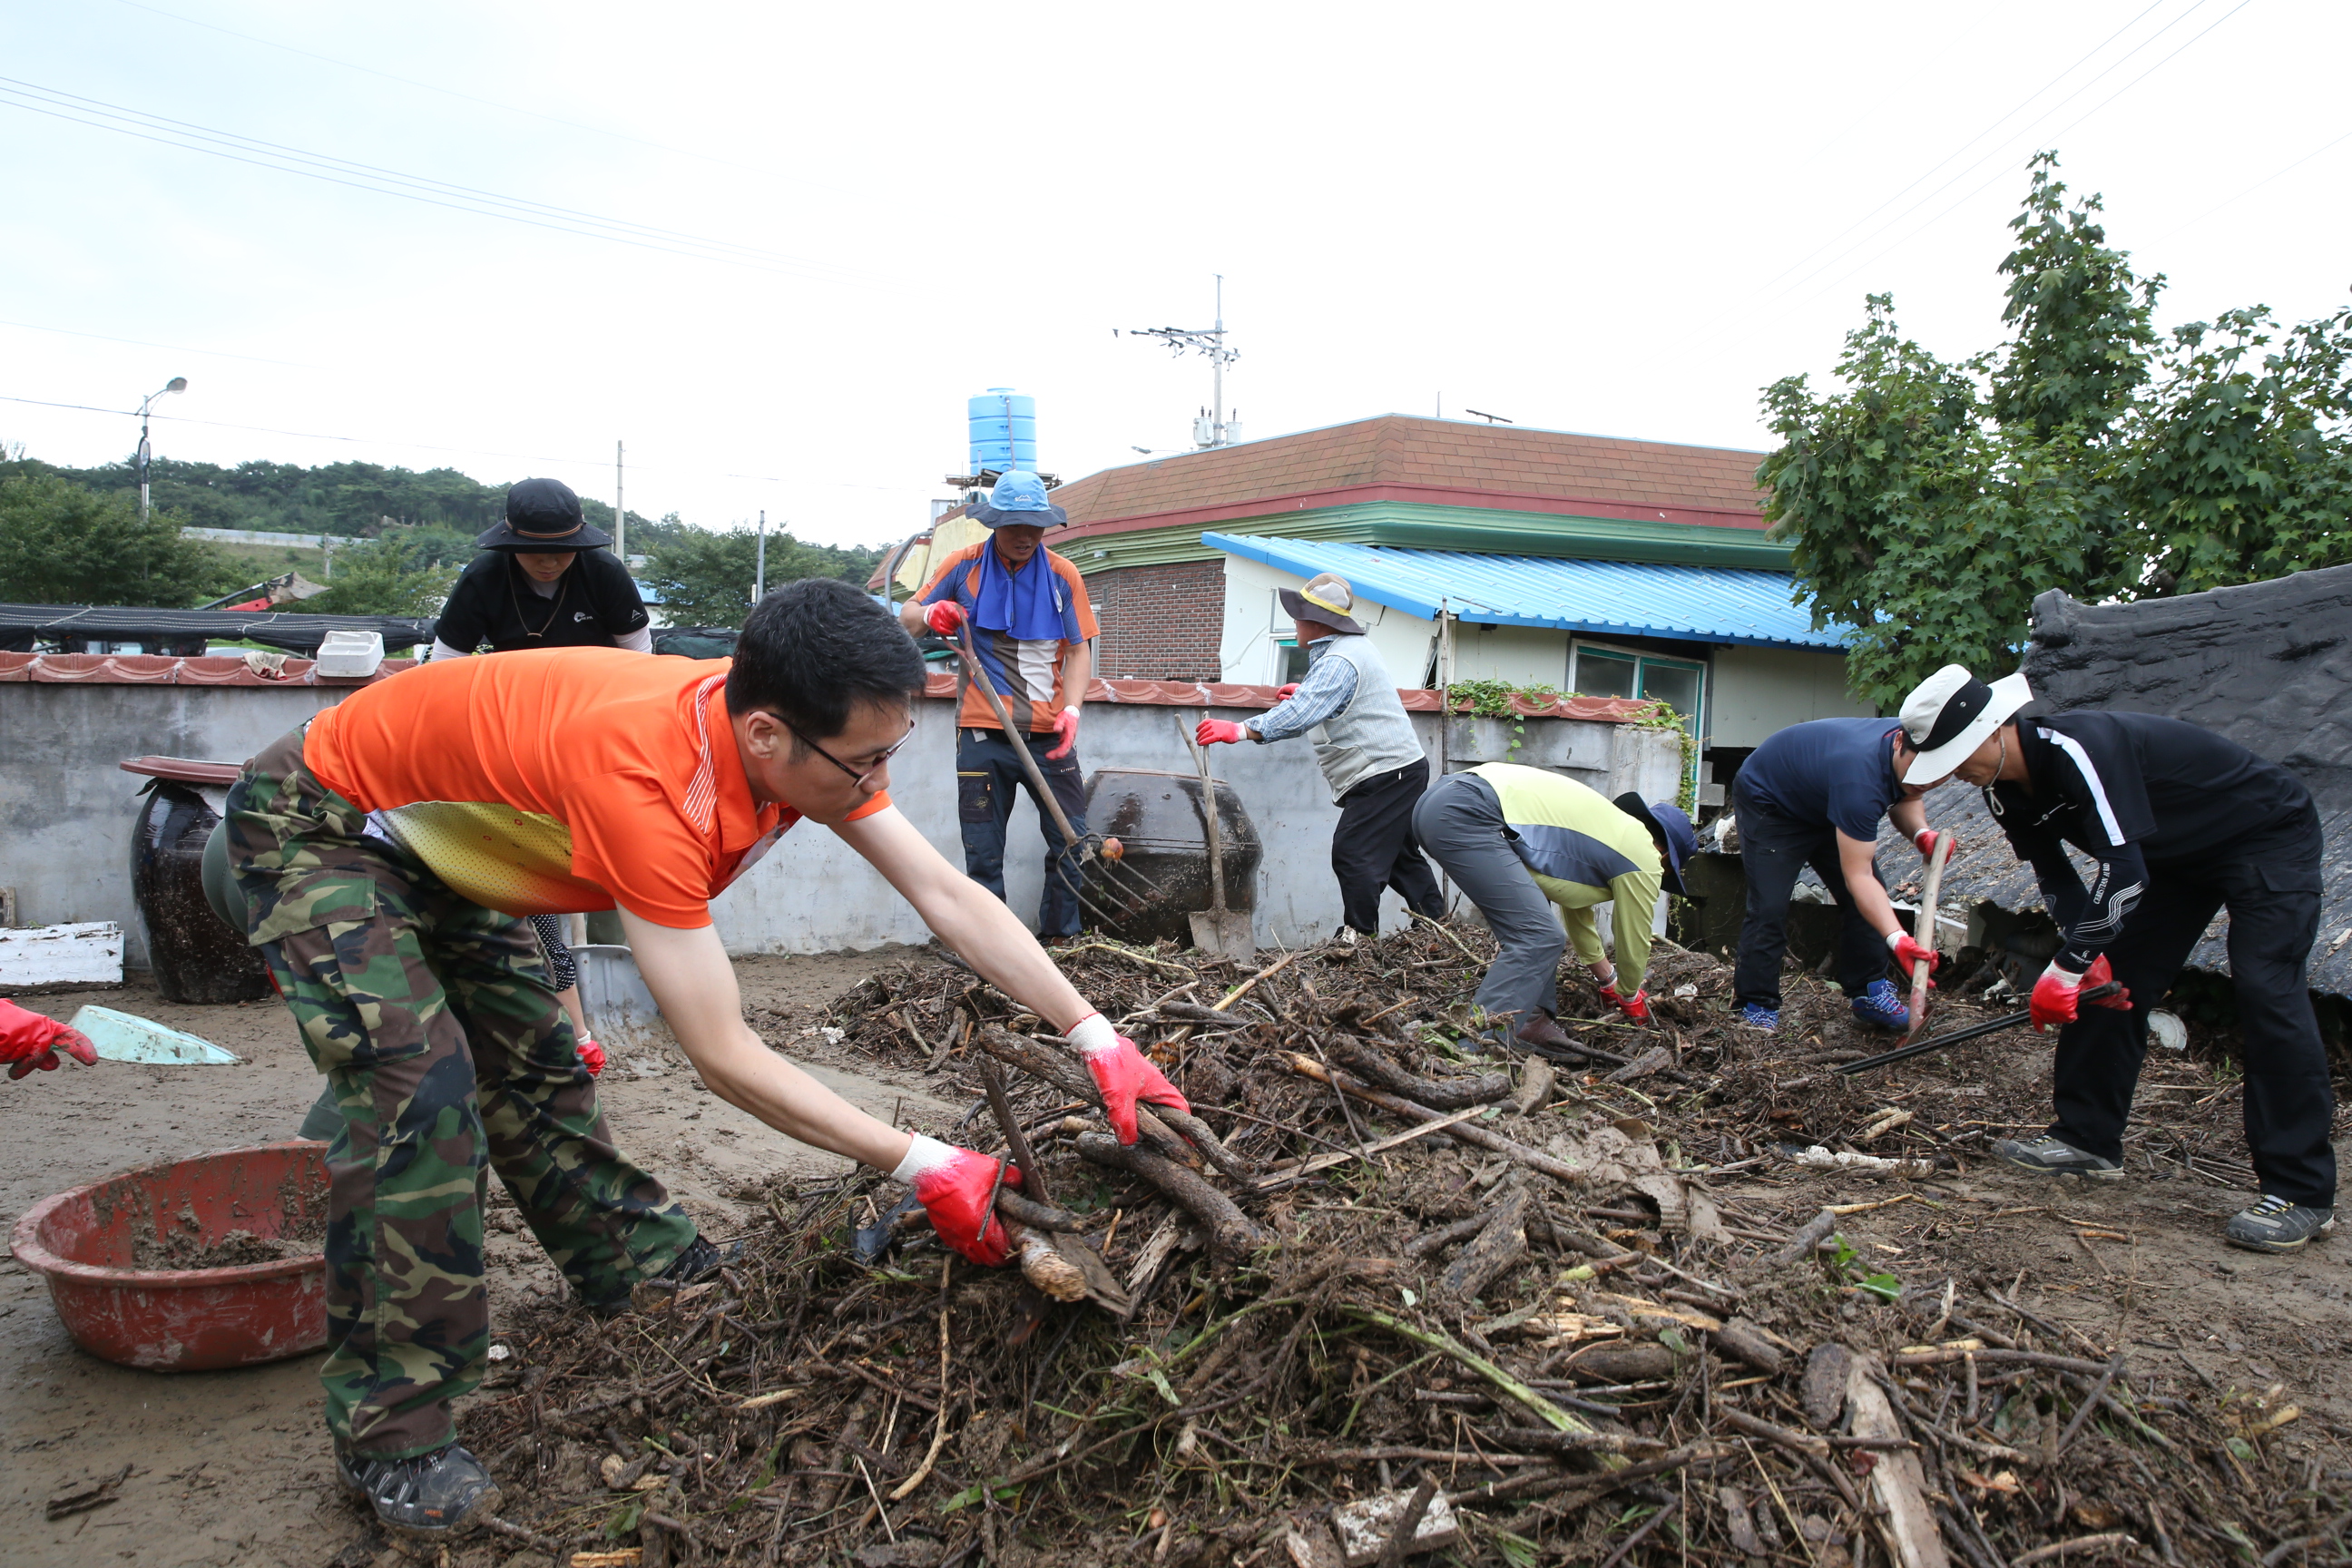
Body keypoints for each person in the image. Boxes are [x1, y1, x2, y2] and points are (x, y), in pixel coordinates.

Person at [221, 578, 1183, 1539]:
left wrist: (1097, 1036)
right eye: (864, 762)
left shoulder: (787, 731)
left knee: (537, 1068)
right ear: (769, 736)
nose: (874, 781)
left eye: (889, 752)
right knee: (422, 1098)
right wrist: (925, 1162)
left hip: (448, 848)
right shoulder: (646, 785)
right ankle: (393, 1432)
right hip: (324, 828)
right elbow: (721, 1052)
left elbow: (943, 892)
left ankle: (635, 1264)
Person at [1899, 663, 2335, 1254]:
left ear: (1994, 728)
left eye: (1956, 754)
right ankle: (2087, 1141)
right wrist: (2087, 958)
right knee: (2111, 981)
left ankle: (2302, 1191)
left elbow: (2122, 870)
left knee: (2265, 986)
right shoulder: (2003, 792)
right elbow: (2054, 875)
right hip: (2173, 859)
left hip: (2263, 834)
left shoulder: (2078, 752)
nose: (1954, 773)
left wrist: (2068, 966)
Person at [900, 472, 1098, 938]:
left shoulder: (1062, 574)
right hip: (981, 734)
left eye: (1036, 525)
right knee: (984, 852)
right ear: (993, 524)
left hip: (1051, 736)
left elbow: (1079, 649)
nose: (1026, 535)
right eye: (1014, 525)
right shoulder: (962, 564)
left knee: (1073, 841)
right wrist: (932, 613)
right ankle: (993, 948)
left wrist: (1072, 711)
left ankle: (1059, 943)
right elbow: (908, 617)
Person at [1196, 573, 1446, 939]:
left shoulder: (1339, 661)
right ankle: (1437, 926)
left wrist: (1238, 730)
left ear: (1317, 621)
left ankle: (1358, 936)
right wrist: (1310, 690)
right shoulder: (1344, 652)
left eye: (1299, 615)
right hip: (1398, 770)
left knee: (1353, 852)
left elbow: (1300, 716)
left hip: (1384, 773)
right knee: (1397, 858)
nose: (1294, 621)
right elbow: (1336, 696)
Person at [1411, 762, 1696, 1054]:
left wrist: (1607, 979)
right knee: (1537, 937)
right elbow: (1632, 936)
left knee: (1542, 927)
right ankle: (1473, 1051)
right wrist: (1630, 993)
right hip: (1467, 811)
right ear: (1664, 858)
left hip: (1439, 802)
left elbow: (1576, 911)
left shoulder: (1608, 832)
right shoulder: (1645, 854)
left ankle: (1530, 1021)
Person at [1729, 715, 1945, 1033]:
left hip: (1827, 800)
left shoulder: (1920, 742)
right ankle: (1756, 1005)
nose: (1927, 779)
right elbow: (1858, 878)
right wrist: (1898, 938)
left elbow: (1909, 793)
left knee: (1866, 903)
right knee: (1769, 907)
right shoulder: (1860, 779)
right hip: (1772, 801)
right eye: (1920, 771)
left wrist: (1920, 833)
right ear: (1898, 742)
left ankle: (1869, 992)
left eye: (1935, 776)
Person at [427, 476, 653, 662]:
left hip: (595, 692)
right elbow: (443, 667)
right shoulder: (482, 578)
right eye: (534, 550)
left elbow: (639, 659)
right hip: (511, 694)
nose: (548, 563)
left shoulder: (605, 572)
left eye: (562, 550)